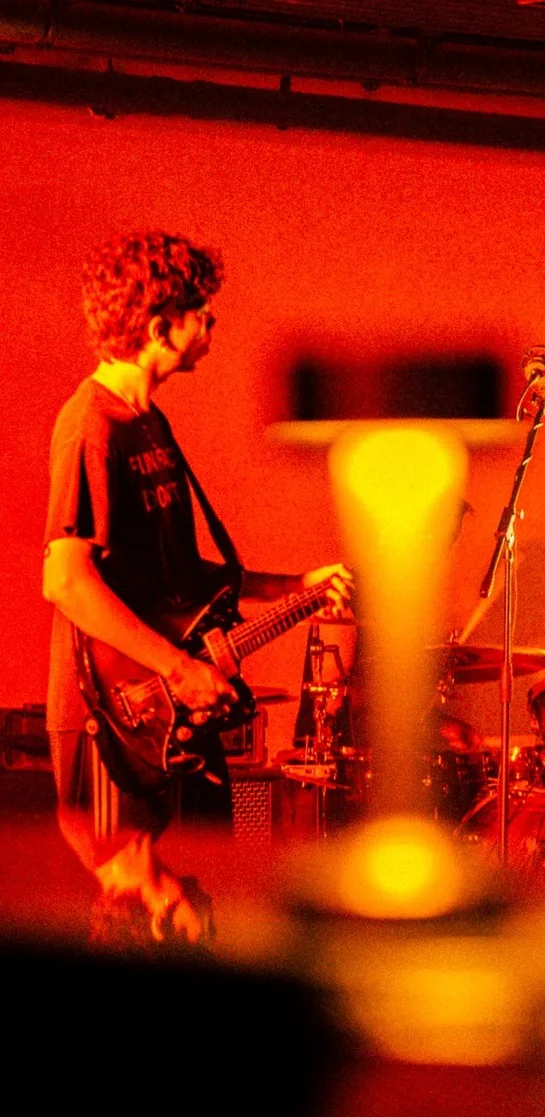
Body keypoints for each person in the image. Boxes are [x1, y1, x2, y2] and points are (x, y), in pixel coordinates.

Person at [42, 231, 352, 945]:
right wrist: (179, 669)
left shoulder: (148, 422)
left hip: (162, 713)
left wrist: (296, 586)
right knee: (127, 909)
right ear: (160, 328)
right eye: (201, 313)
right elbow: (65, 578)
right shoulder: (91, 425)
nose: (212, 325)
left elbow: (180, 579)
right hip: (103, 720)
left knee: (193, 901)